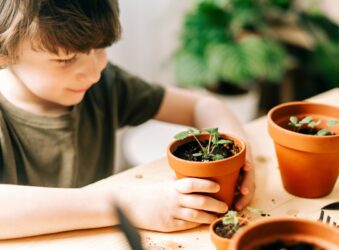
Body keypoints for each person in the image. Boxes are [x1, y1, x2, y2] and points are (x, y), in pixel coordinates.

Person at [0, 0, 255, 239]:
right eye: (65, 59)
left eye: (100, 49)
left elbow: (204, 105)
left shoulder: (106, 85)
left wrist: (241, 159)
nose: (93, 73)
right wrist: (124, 205)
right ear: (5, 54)